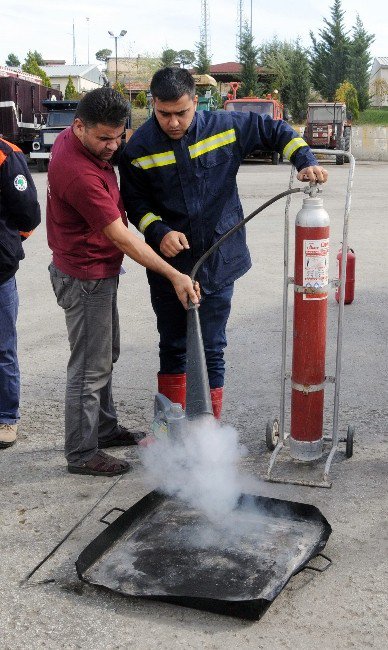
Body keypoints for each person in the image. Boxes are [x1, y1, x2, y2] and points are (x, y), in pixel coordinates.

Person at [119, 67, 328, 419]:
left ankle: (207, 433)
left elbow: (275, 130)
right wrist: (159, 232)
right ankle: (172, 430)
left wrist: (304, 159)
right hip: (171, 266)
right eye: (164, 114)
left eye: (181, 113)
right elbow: (135, 204)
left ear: (195, 103)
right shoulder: (138, 149)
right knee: (172, 347)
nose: (172, 123)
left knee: (212, 347)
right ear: (153, 104)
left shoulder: (224, 127)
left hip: (219, 258)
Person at [46, 87, 198, 476]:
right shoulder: (78, 173)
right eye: (104, 139)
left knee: (105, 354)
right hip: (85, 278)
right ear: (78, 127)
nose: (114, 146)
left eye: (119, 136)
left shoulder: (81, 139)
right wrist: (174, 273)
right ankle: (81, 453)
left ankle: (105, 427)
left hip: (96, 272)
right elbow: (123, 238)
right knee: (89, 368)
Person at [0, 138, 41, 448]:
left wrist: (7, 243)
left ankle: (6, 417)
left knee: (2, 349)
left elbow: (28, 214)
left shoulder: (6, 155)